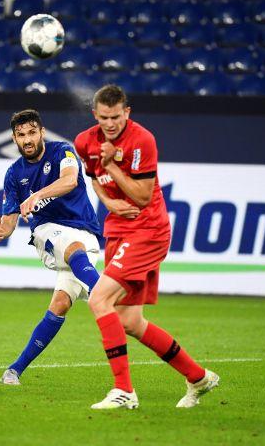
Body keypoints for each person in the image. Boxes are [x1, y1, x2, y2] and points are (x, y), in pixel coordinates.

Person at [74, 84, 220, 410]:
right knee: (129, 322)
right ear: (95, 115)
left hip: (148, 231)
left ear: (127, 112)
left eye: (116, 116)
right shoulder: (85, 142)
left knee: (98, 299)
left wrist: (112, 165)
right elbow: (93, 179)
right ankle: (198, 377)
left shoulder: (142, 140)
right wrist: (109, 200)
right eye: (104, 117)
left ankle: (123, 390)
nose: (110, 123)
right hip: (117, 232)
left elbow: (142, 196)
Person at [0, 109, 109, 385]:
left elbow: (70, 180)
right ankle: (106, 294)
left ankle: (14, 370)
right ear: (14, 139)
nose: (27, 139)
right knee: (73, 247)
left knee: (59, 305)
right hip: (48, 235)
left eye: (32, 133)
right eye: (21, 135)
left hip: (88, 236)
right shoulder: (13, 174)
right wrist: (1, 231)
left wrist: (38, 195)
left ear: (42, 132)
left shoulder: (62, 152)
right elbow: (8, 223)